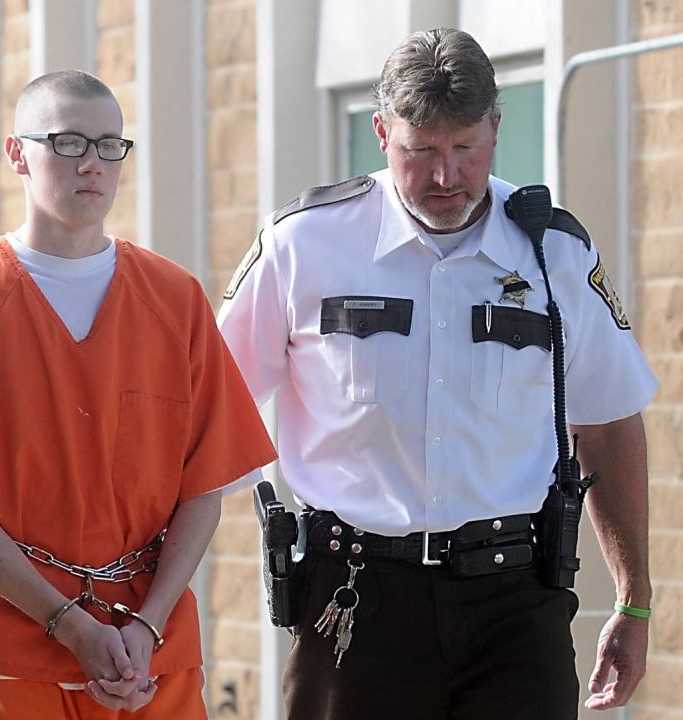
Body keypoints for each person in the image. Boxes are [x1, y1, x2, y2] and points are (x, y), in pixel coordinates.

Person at [219, 27, 656, 718]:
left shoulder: (555, 253)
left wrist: (634, 598)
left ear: (496, 128)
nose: (446, 176)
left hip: (515, 604)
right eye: (420, 151)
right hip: (355, 600)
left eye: (465, 148)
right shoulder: (304, 243)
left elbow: (606, 424)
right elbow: (213, 412)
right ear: (382, 131)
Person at [0, 70, 275, 719]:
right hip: (8, 662)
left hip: (150, 661)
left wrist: (146, 627)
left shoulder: (175, 299)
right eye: (69, 142)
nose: (94, 164)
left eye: (110, 145)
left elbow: (203, 486)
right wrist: (72, 626)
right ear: (17, 153)